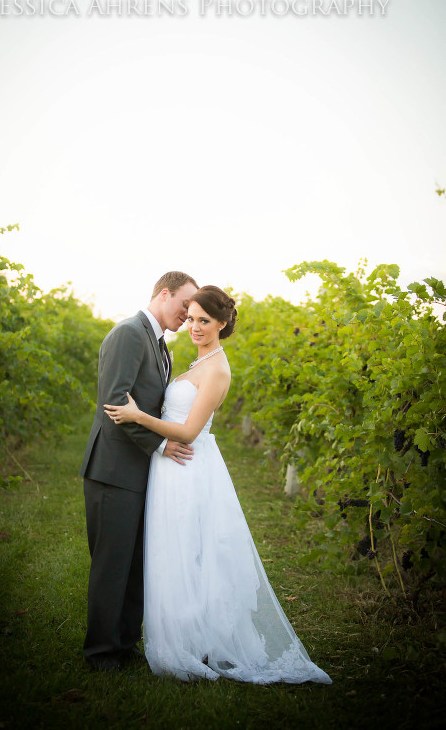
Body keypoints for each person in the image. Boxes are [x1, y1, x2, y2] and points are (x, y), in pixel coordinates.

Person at [105, 285, 332, 684]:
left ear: (222, 323)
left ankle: (193, 643)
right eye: (190, 318)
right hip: (170, 470)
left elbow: (190, 432)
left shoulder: (217, 368)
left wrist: (138, 417)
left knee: (191, 553)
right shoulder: (197, 361)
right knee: (173, 552)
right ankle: (183, 637)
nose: (193, 326)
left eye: (203, 320)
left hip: (188, 469)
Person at [80, 271, 199, 672]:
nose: (188, 314)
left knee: (135, 562)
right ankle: (100, 653)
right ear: (164, 294)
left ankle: (125, 643)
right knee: (112, 564)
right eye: (185, 305)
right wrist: (162, 444)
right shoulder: (129, 334)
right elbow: (115, 404)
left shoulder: (161, 345)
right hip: (113, 469)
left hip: (141, 471)